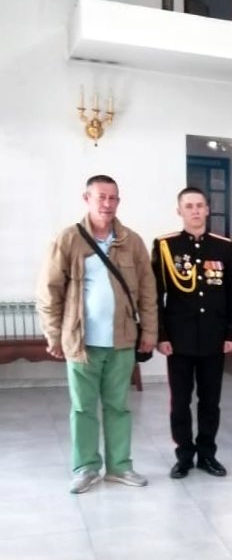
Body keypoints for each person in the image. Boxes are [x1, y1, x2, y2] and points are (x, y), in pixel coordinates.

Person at [36, 175, 157, 494]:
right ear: (86, 199)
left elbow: (148, 290)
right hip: (81, 342)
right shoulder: (68, 239)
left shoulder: (132, 241)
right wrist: (53, 335)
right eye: (101, 197)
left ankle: (120, 466)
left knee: (119, 407)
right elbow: (49, 291)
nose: (107, 203)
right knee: (83, 408)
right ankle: (86, 467)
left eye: (113, 198)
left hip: (122, 341)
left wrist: (150, 331)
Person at [151, 187, 232, 479]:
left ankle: (207, 455)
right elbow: (156, 295)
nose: (195, 211)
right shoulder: (165, 246)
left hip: (214, 337)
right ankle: (184, 455)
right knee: (180, 402)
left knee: (210, 402)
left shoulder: (224, 247)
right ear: (179, 211)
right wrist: (162, 335)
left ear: (208, 209)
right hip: (179, 339)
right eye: (189, 206)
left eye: (200, 205)